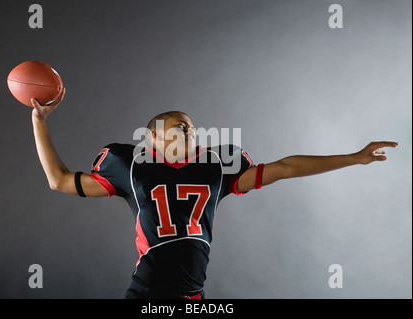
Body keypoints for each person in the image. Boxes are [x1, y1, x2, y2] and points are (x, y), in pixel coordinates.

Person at [30, 88, 398, 299]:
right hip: (147, 293)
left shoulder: (217, 165)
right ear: (153, 136)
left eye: (191, 127)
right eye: (179, 128)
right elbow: (60, 180)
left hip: (194, 296)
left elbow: (286, 168)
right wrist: (39, 121)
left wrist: (353, 157)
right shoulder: (130, 164)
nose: (190, 132)